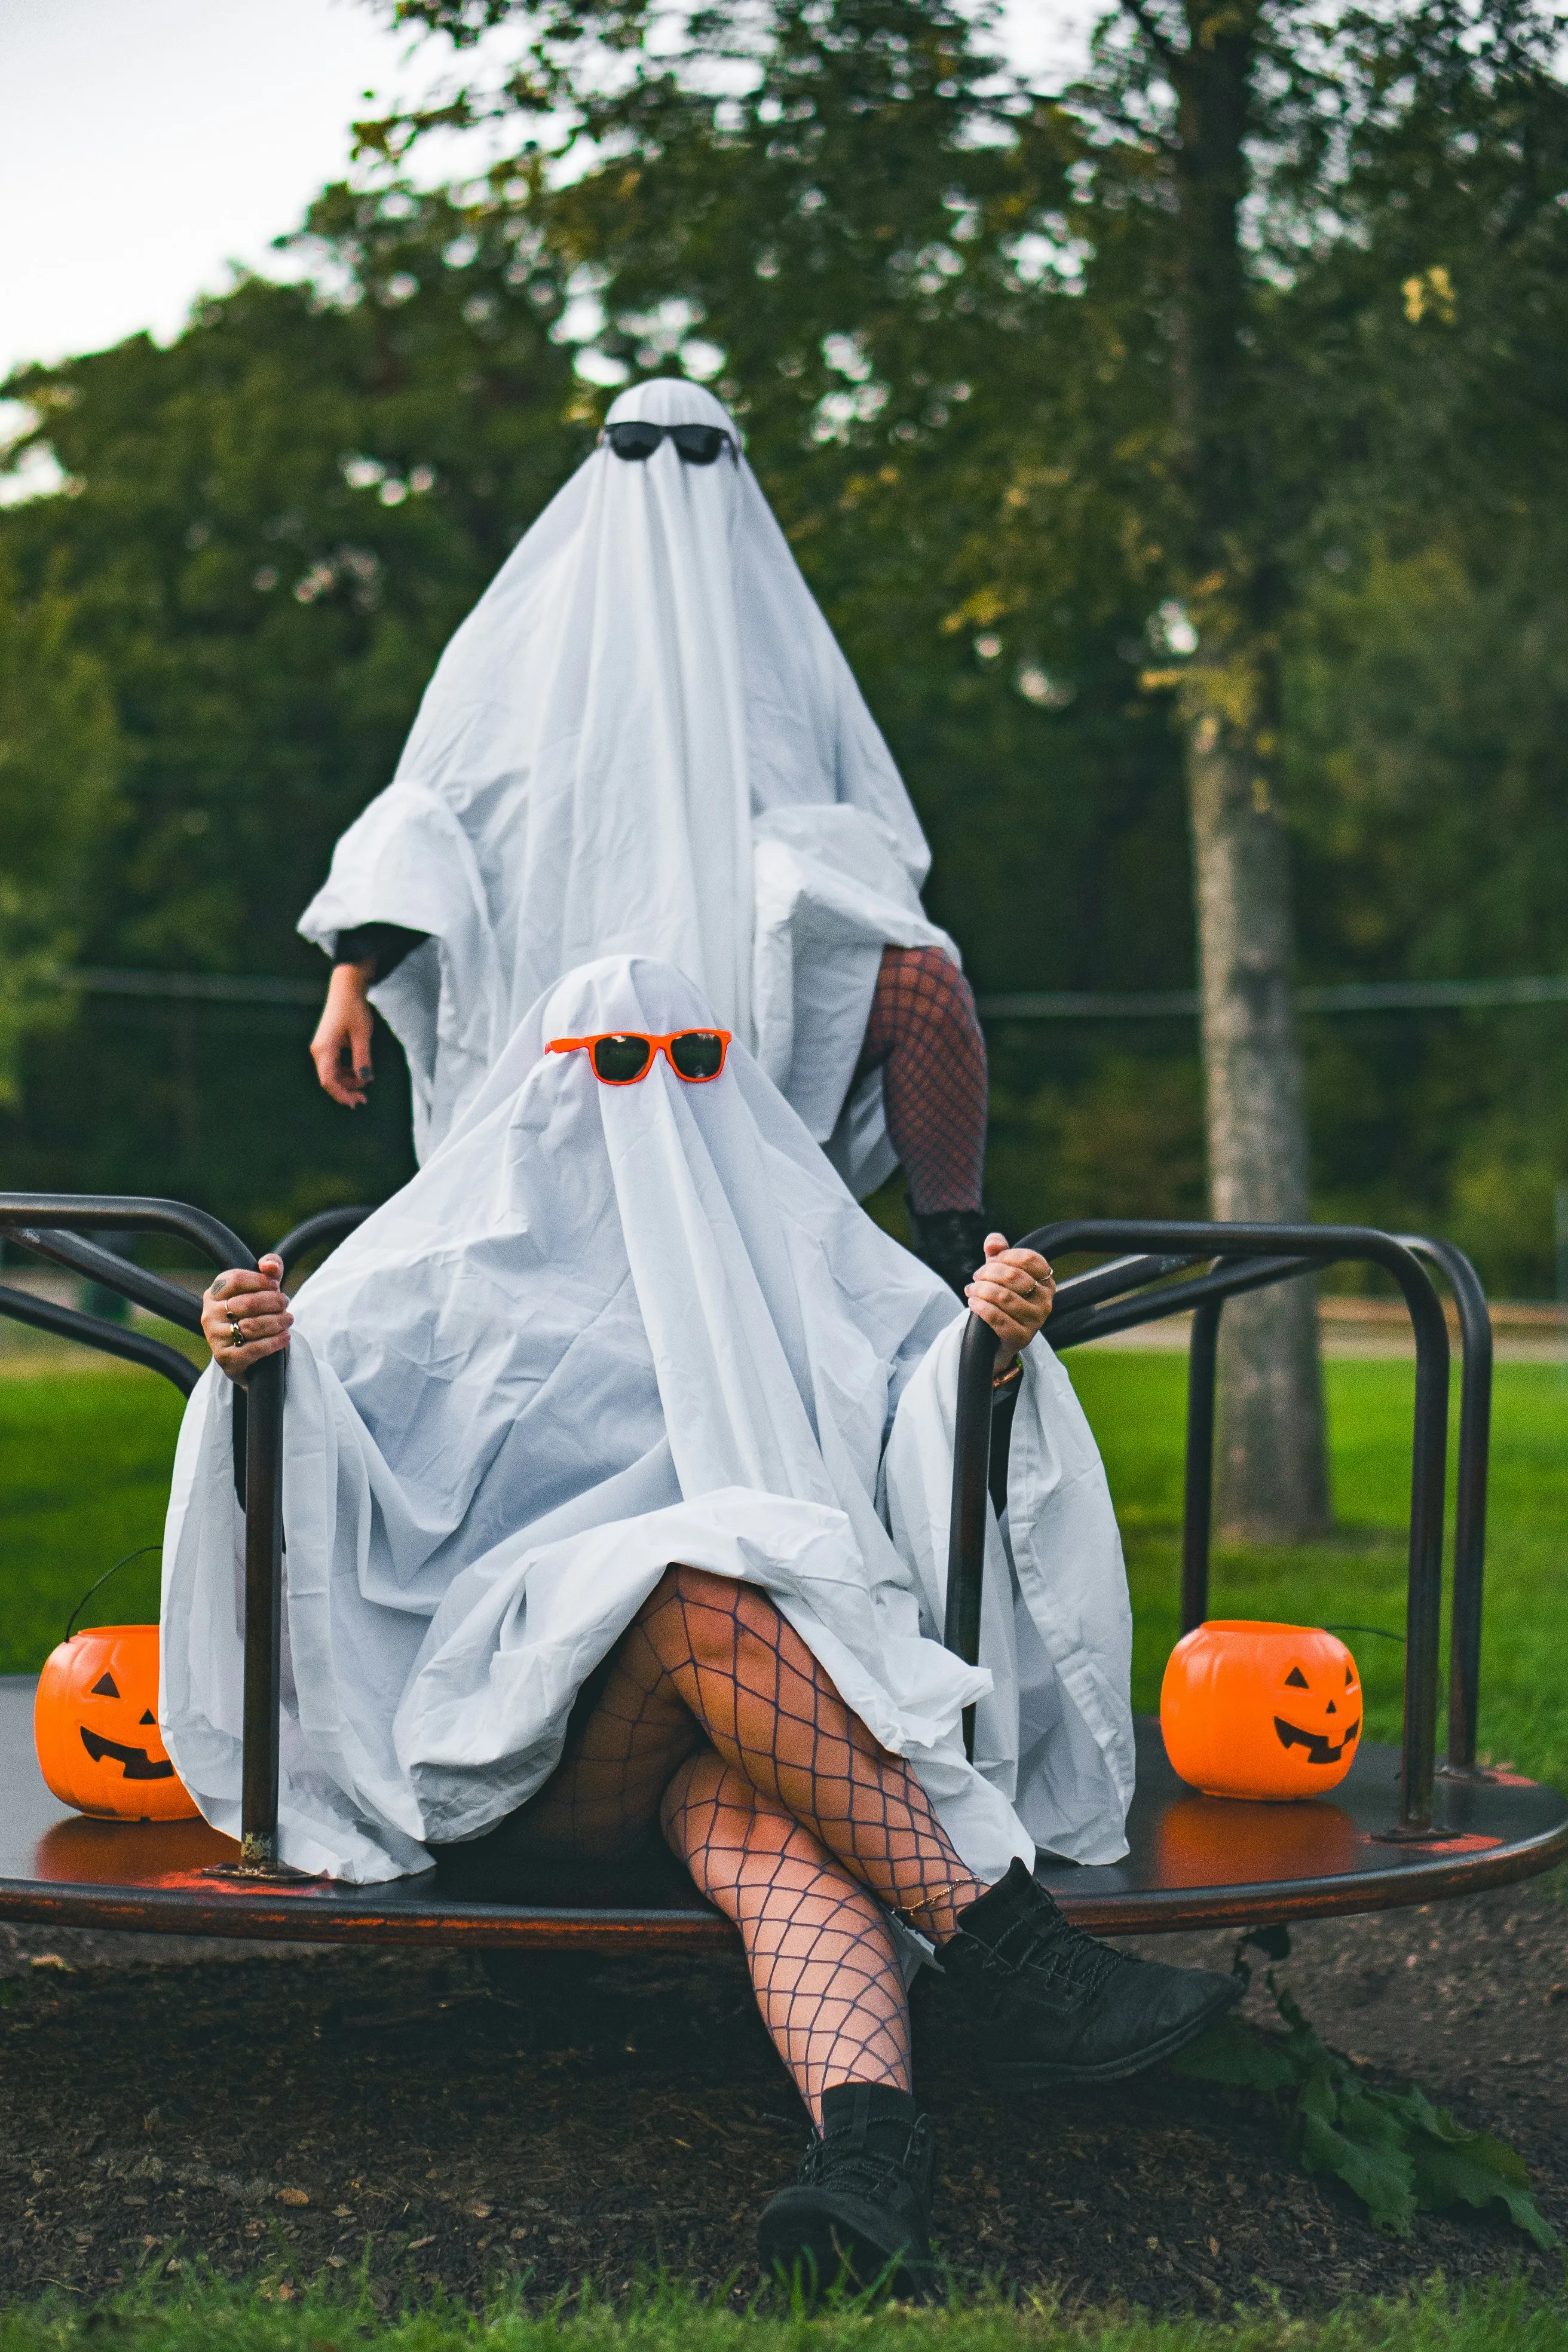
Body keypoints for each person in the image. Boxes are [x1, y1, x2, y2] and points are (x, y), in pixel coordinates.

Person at [174, 956, 1236, 2293]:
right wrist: (255, 1359)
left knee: (759, 1823)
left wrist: (995, 1348)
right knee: (699, 1591)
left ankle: (867, 2157)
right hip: (526, 1766)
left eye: (691, 1060)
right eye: (614, 1063)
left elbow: (927, 1412)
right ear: (545, 1083)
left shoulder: (801, 1265)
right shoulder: (428, 1280)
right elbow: (312, 1443)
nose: (654, 1099)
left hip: (743, 1747)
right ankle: (1015, 1953)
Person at [299, 379, 991, 1295]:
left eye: (699, 453)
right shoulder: (518, 646)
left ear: (732, 469)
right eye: (638, 449)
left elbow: (868, 841)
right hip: (551, 1021)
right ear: (602, 465)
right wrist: (354, 970)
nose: (669, 480)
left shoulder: (784, 650)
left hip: (742, 1020)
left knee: (927, 984)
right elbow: (443, 812)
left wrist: (781, 890)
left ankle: (961, 1265)